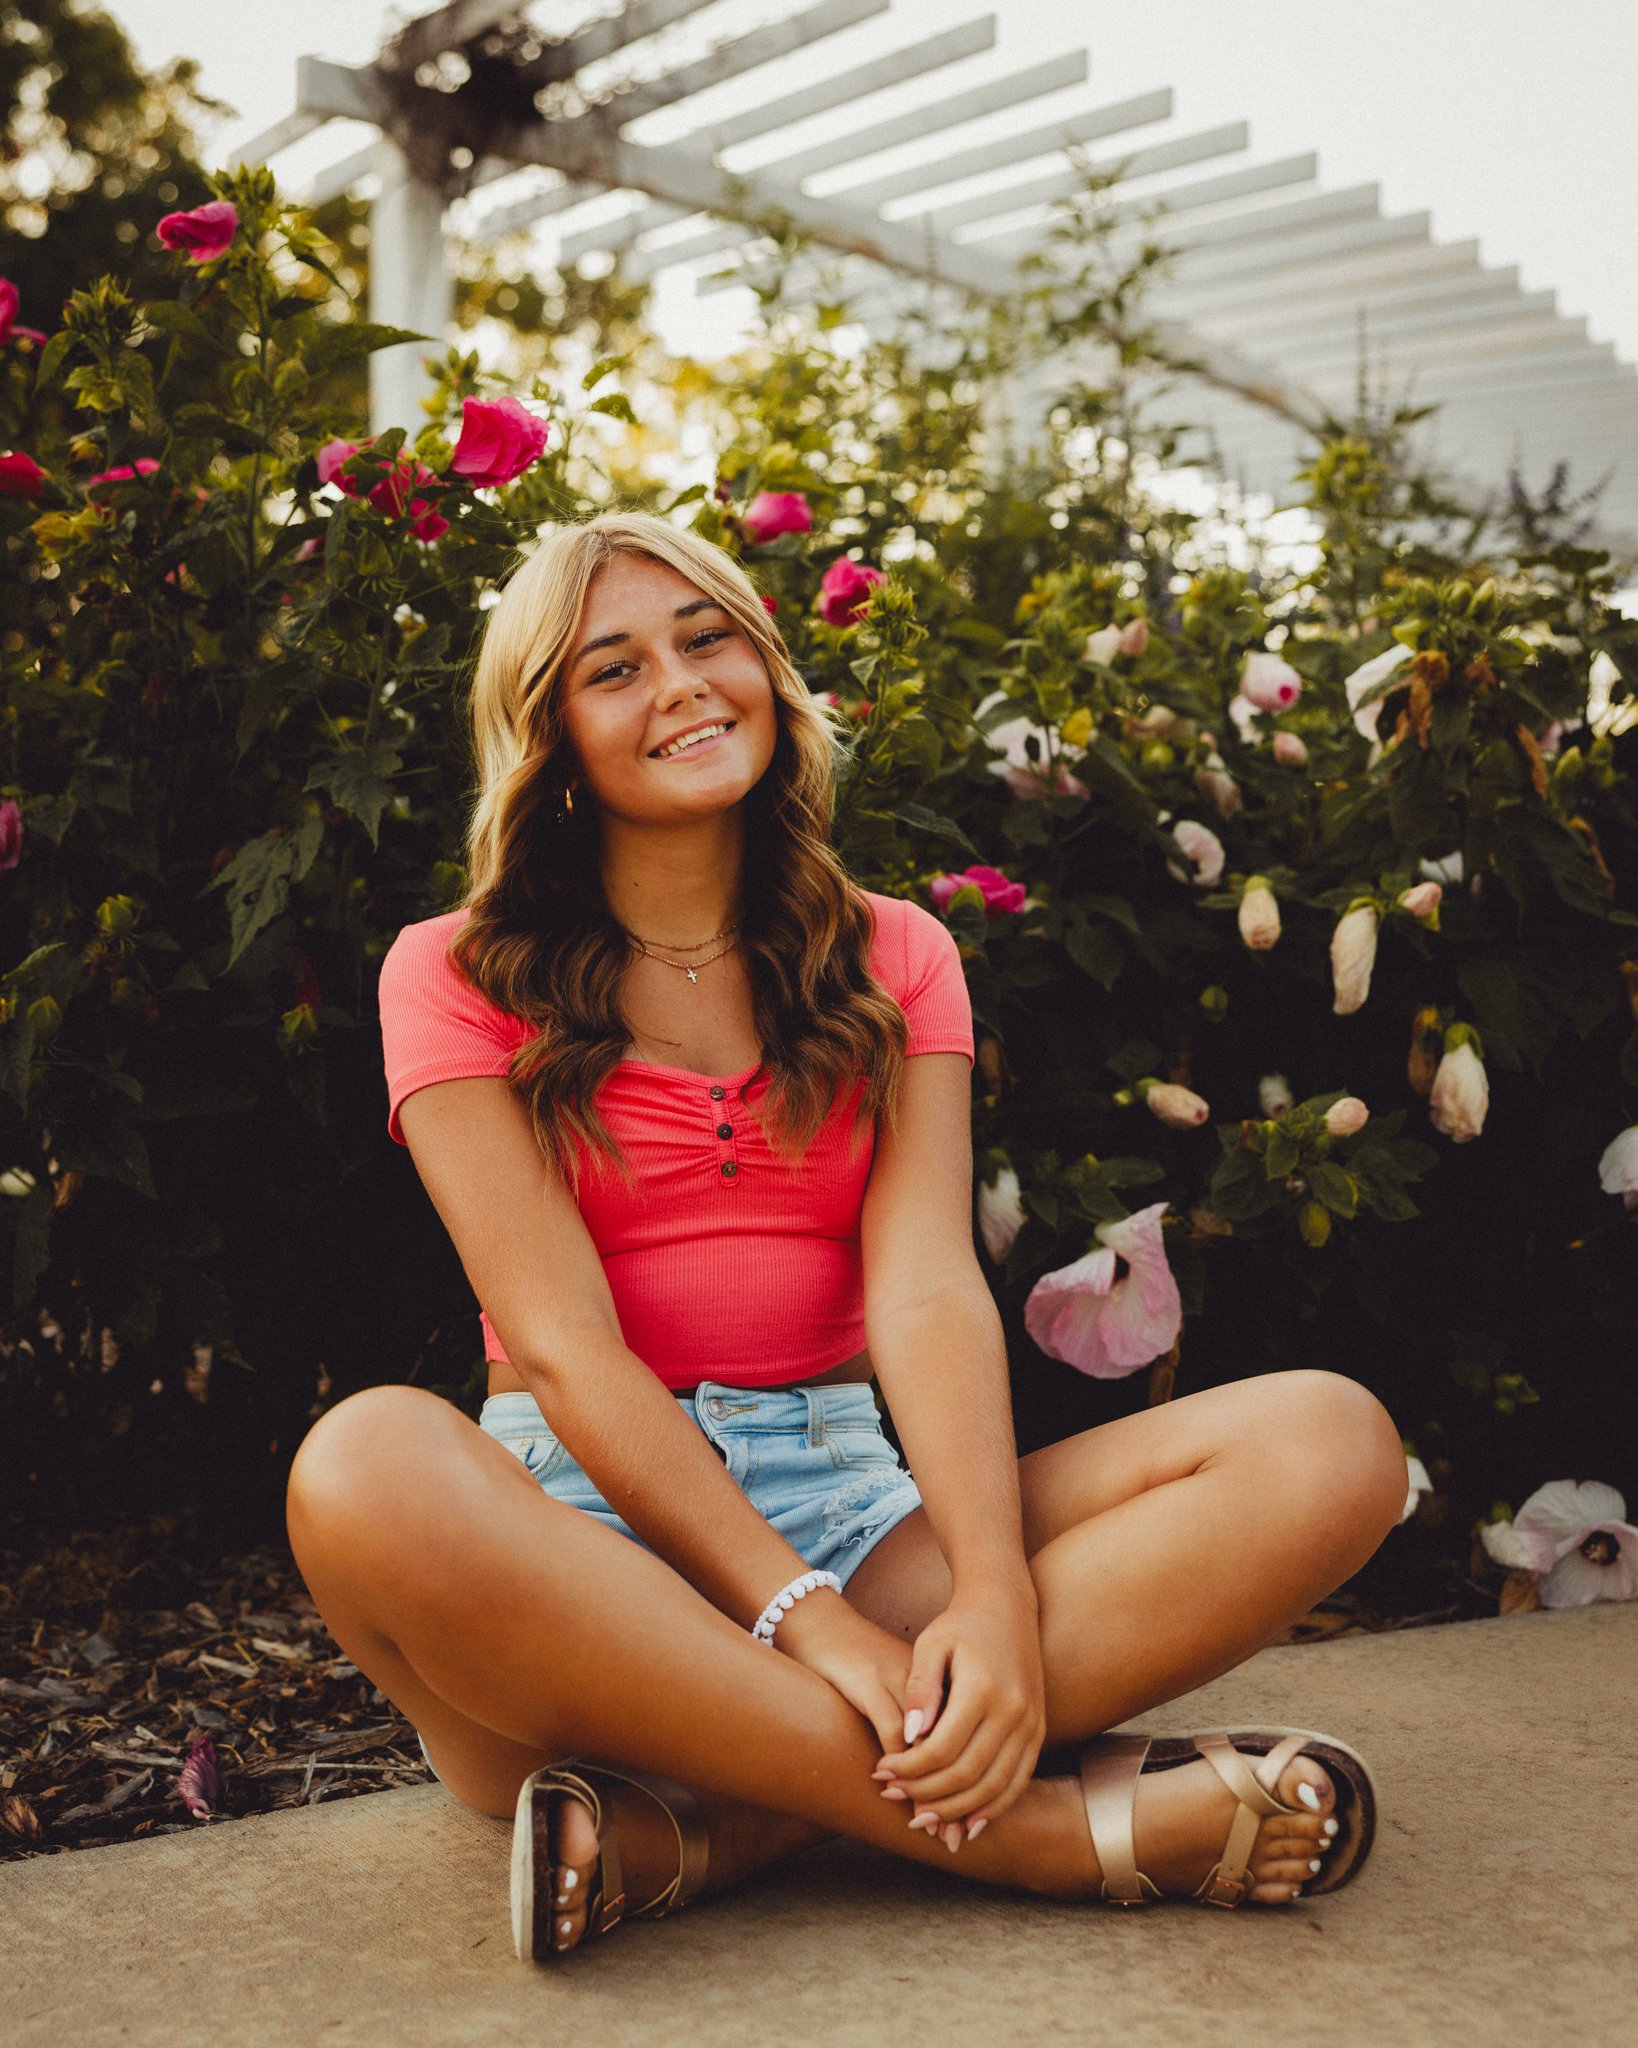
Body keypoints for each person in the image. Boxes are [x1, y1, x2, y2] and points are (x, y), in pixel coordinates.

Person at [284, 512, 1408, 1963]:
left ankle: (721, 1824)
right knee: (363, 1463)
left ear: (766, 664)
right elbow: (558, 1347)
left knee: (1328, 1442)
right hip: (568, 1557)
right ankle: (1047, 1838)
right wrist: (807, 1623)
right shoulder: (449, 971)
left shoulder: (892, 953)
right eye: (613, 668)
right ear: (551, 732)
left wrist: (992, 1592)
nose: (682, 685)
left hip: (852, 1505)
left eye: (707, 640)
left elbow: (928, 1286)